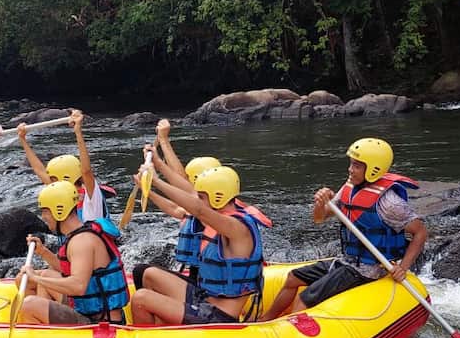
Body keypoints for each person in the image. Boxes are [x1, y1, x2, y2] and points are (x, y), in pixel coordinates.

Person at [260, 138, 428, 320]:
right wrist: (320, 203)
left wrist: (403, 267)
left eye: (356, 165)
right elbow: (319, 218)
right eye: (351, 164)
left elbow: (420, 232)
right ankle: (265, 320)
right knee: (293, 278)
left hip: (367, 270)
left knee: (304, 298)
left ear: (373, 169)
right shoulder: (350, 187)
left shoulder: (390, 203)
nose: (350, 169)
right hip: (347, 261)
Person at [135, 120, 271, 289]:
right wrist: (157, 166)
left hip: (216, 287)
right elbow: (183, 196)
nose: (195, 192)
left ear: (216, 194)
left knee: (144, 273)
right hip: (205, 276)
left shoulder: (224, 219)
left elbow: (189, 196)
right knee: (143, 272)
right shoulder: (217, 204)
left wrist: (156, 177)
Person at [131, 165, 266, 325]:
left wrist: (155, 181)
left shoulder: (236, 227)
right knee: (148, 274)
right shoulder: (221, 216)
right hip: (203, 297)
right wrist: (149, 184)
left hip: (220, 316)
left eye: (201, 197)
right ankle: (163, 330)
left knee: (141, 299)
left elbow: (199, 210)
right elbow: (192, 203)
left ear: (218, 197)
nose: (197, 200)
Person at [17, 181, 129, 325]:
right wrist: (43, 252)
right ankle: (46, 327)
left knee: (29, 305)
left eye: (45, 211)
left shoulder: (81, 242)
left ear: (59, 211)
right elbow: (70, 271)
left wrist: (35, 278)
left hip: (101, 322)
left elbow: (78, 286)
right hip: (88, 311)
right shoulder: (79, 234)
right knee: (45, 275)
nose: (43, 217)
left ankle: (42, 335)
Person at [18, 109, 115, 224]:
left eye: (53, 180)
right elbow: (39, 170)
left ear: (68, 177)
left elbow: (86, 171)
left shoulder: (91, 194)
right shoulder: (63, 192)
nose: (51, 184)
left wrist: (78, 131)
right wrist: (23, 139)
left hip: (92, 239)